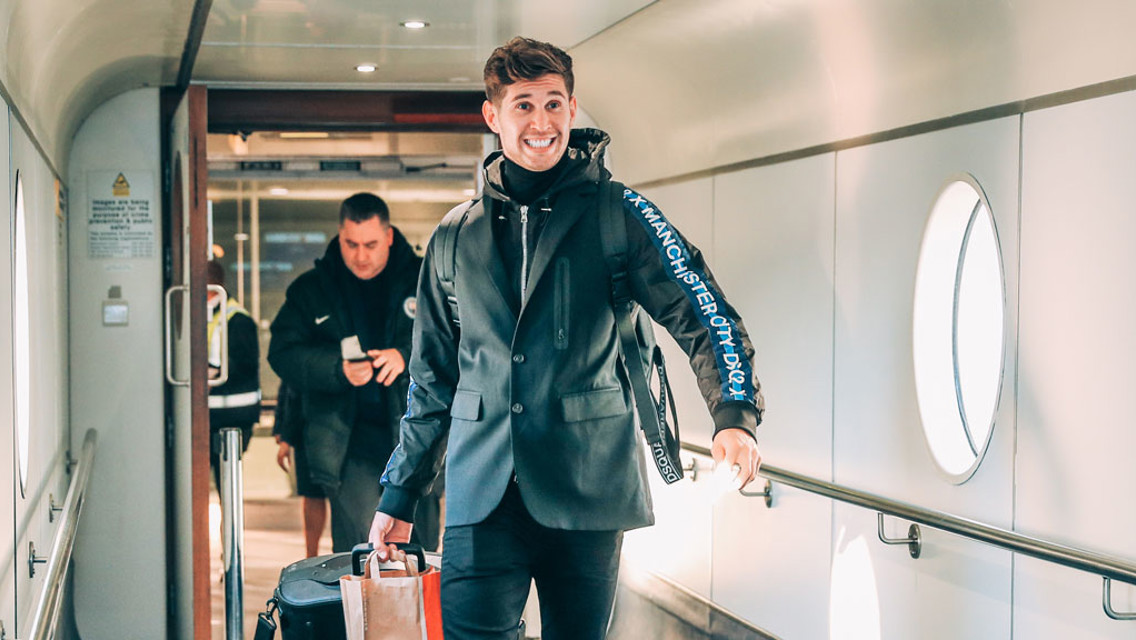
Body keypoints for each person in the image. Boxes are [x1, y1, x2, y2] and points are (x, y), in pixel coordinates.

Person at [370, 36, 764, 639]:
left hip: (588, 489)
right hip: (481, 496)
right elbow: (433, 381)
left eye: (554, 104)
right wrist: (400, 493)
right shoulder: (452, 237)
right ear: (493, 115)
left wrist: (734, 412)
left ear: (572, 109)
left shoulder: (620, 214)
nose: (541, 122)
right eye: (524, 104)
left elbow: (703, 311)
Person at [268, 193, 442, 553]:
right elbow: (282, 353)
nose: (360, 256)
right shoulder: (312, 289)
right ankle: (359, 612)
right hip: (344, 442)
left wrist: (404, 356)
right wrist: (337, 369)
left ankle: (420, 611)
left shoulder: (427, 281)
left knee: (418, 550)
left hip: (417, 436)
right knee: (364, 546)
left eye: (371, 244)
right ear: (339, 235)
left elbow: (457, 342)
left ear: (389, 237)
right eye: (351, 244)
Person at [206, 259, 261, 490]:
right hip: (211, 414)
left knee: (226, 482)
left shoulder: (237, 319)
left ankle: (225, 527)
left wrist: (211, 374)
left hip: (231, 416)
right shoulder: (205, 314)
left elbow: (244, 364)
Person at [272, 381, 329, 558]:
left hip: (351, 424)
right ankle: (311, 556)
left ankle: (345, 555)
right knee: (312, 494)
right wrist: (283, 429)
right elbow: (289, 385)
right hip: (307, 424)